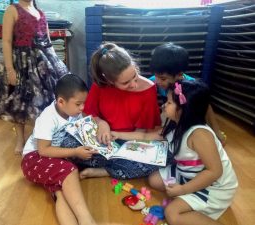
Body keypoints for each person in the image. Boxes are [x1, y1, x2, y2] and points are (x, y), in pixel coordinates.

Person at [112, 80, 238, 225]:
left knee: (172, 213)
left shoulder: (200, 135)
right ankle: (189, 197)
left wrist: (183, 190)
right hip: (189, 173)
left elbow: (214, 172)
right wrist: (116, 134)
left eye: (169, 102)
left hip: (214, 186)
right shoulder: (174, 125)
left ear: (183, 109)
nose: (164, 105)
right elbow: (145, 136)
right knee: (154, 179)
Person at [0, 0, 68, 154]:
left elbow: (48, 42)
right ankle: (20, 138)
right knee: (19, 102)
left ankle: (43, 135)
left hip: (41, 63)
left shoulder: (41, 13)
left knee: (45, 101)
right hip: (21, 63)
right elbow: (6, 41)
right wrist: (10, 69)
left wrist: (57, 64)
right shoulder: (12, 10)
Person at [79, 42, 166, 179]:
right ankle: (117, 168)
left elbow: (142, 134)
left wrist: (117, 135)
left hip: (131, 141)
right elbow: (88, 113)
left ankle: (106, 170)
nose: (134, 84)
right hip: (104, 139)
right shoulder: (100, 85)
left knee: (159, 161)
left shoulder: (148, 89)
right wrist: (101, 123)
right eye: (125, 83)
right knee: (69, 145)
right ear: (108, 80)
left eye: (135, 76)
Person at [21, 74, 98, 225]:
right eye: (78, 104)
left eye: (84, 103)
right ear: (61, 102)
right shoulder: (48, 118)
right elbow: (43, 150)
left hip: (50, 158)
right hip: (32, 159)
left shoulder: (72, 112)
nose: (82, 108)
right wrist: (76, 152)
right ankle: (87, 220)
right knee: (70, 170)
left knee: (61, 193)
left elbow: (83, 125)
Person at [149, 42, 227, 146]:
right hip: (172, 112)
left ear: (179, 75)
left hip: (188, 117)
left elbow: (207, 108)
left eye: (163, 78)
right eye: (155, 76)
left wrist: (217, 132)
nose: (157, 81)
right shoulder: (153, 82)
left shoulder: (190, 87)